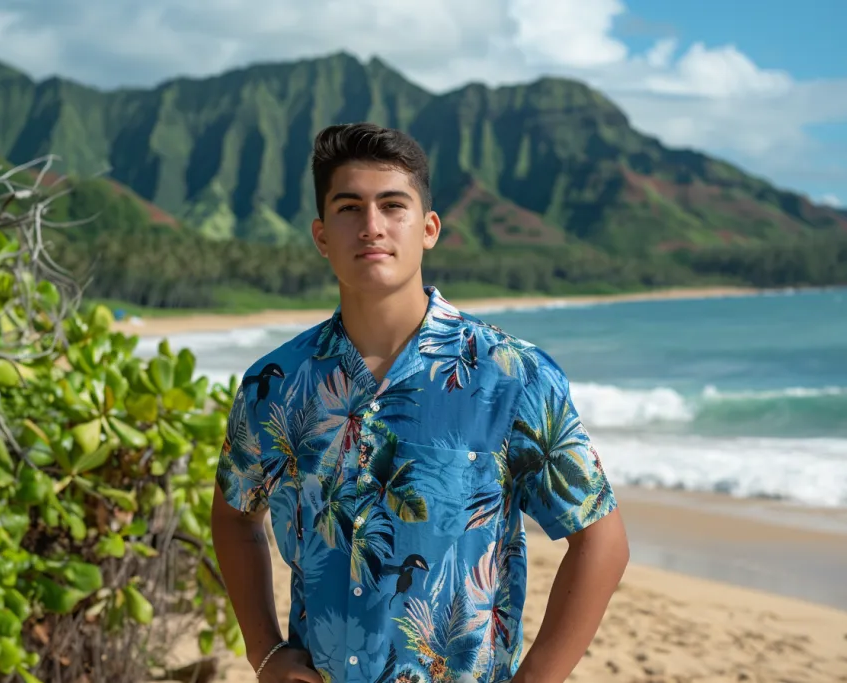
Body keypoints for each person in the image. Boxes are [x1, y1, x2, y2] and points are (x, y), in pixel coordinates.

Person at [211, 122, 629, 683]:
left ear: (429, 228)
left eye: (393, 205)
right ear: (321, 235)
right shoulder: (277, 384)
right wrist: (264, 651)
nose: (372, 226)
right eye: (349, 208)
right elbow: (235, 518)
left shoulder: (509, 376)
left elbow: (601, 539)